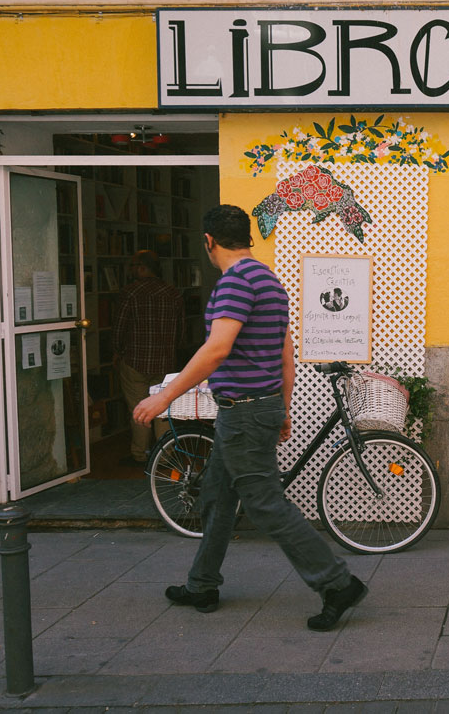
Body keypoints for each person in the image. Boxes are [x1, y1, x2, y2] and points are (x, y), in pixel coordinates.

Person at [132, 205, 366, 631]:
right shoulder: (269, 280)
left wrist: (164, 397)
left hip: (243, 411)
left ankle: (337, 583)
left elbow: (217, 349)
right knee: (217, 498)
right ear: (247, 238)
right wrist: (283, 405)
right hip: (253, 408)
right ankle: (202, 583)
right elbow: (284, 352)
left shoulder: (235, 283)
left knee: (264, 503)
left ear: (209, 241)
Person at [113, 250, 183, 466]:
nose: (130, 270)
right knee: (163, 409)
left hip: (135, 359)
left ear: (143, 267)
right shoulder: (173, 293)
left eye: (133, 265)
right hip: (164, 361)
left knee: (139, 408)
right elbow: (181, 330)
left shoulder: (130, 292)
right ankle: (165, 455)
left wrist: (117, 351)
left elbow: (119, 327)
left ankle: (140, 455)